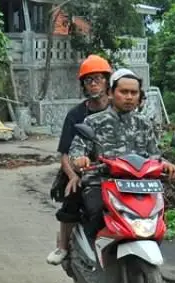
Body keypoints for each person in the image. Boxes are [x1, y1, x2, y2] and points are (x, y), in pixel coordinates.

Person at [68, 68, 175, 235]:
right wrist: (79, 159)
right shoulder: (93, 121)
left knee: (158, 218)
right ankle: (91, 245)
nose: (129, 97)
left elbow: (154, 154)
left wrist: (165, 163)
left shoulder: (144, 123)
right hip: (102, 182)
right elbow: (77, 148)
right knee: (96, 213)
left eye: (134, 93)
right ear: (110, 93)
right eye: (124, 92)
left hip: (140, 185)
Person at [47, 54, 113, 265]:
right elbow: (65, 153)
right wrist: (73, 175)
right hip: (83, 169)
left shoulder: (117, 110)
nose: (93, 84)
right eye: (88, 80)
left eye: (98, 78)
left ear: (107, 81)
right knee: (72, 195)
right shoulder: (76, 115)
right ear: (83, 85)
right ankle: (63, 246)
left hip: (115, 169)